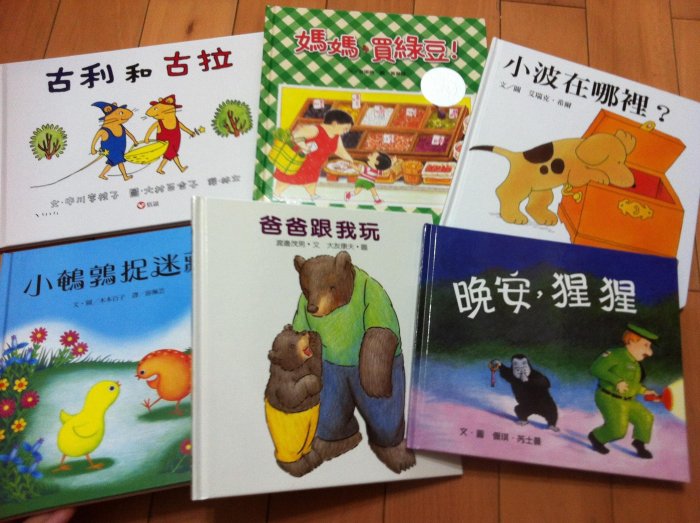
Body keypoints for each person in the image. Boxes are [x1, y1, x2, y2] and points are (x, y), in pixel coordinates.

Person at [588, 324, 658, 458]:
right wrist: (616, 381)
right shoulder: (615, 354)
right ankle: (596, 437)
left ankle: (639, 443)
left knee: (645, 418)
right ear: (631, 341)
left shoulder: (636, 364)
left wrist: (645, 391)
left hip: (628, 400)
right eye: (645, 345)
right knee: (618, 431)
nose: (649, 352)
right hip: (609, 397)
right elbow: (595, 369)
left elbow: (632, 384)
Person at [272, 109, 354, 201]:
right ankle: (276, 194)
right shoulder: (315, 129)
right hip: (299, 162)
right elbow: (297, 136)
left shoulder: (336, 136)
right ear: (335, 123)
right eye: (345, 128)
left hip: (314, 166)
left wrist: (349, 159)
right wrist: (304, 146)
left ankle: (312, 194)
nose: (347, 131)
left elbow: (340, 150)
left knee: (311, 181)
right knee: (286, 180)